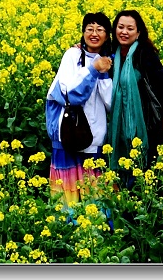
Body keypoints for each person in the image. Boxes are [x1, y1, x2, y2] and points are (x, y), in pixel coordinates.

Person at [45, 13, 114, 209]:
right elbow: (71, 94)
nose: (94, 34)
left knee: (94, 196)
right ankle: (66, 234)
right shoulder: (72, 55)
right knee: (67, 198)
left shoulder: (109, 61)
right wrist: (93, 69)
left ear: (107, 35)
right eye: (89, 29)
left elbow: (111, 104)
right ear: (82, 33)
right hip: (67, 135)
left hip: (94, 137)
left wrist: (103, 72)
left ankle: (96, 235)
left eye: (100, 30)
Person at [105, 10, 163, 173]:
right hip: (117, 121)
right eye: (120, 27)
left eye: (130, 29)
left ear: (138, 33)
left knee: (145, 165)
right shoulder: (111, 53)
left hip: (146, 119)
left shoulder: (144, 54)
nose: (124, 32)